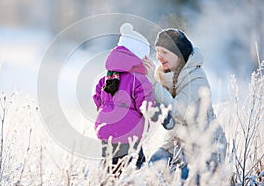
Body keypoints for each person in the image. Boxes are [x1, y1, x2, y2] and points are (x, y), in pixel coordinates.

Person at [142, 28, 227, 182]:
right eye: (157, 51)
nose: (159, 57)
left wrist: (153, 84)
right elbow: (159, 103)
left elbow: (177, 110)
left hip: (205, 147)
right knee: (154, 165)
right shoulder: (165, 75)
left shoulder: (196, 78)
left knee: (185, 178)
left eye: (165, 52)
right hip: (177, 143)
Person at [93, 23, 155, 175]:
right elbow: (147, 107)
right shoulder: (139, 80)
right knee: (135, 171)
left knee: (110, 171)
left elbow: (97, 98)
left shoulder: (106, 78)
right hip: (130, 134)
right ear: (142, 57)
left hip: (106, 132)